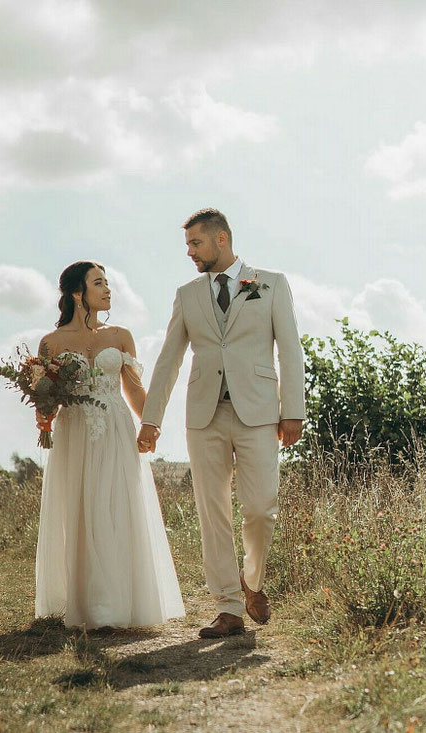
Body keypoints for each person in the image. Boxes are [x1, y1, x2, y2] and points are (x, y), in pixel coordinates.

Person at [138, 209, 305, 639]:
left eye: (196, 244)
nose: (190, 253)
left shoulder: (271, 284)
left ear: (222, 240)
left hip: (260, 414)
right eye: (188, 246)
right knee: (212, 512)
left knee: (260, 509)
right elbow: (169, 360)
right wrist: (151, 420)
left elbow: (290, 349)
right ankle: (228, 607)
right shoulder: (187, 295)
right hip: (204, 415)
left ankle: (252, 581)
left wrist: (294, 410)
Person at [34, 261, 185, 630]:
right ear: (76, 293)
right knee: (81, 510)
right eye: (98, 283)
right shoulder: (51, 344)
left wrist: (150, 425)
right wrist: (43, 412)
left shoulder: (120, 336)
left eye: (107, 283)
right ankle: (87, 602)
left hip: (116, 428)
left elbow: (133, 389)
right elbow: (45, 399)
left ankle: (116, 602)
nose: (107, 289)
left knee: (117, 507)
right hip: (74, 434)